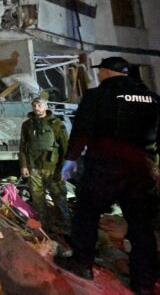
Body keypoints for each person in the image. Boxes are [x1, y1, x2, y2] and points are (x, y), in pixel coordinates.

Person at [55, 56, 159, 295]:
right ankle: (144, 282)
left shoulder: (97, 95)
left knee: (86, 212)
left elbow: (82, 130)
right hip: (139, 168)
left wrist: (70, 158)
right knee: (141, 226)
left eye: (100, 71)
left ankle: (82, 262)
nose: (98, 75)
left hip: (106, 166)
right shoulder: (152, 98)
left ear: (107, 72)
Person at [18, 96, 71, 235]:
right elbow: (23, 147)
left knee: (59, 199)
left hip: (53, 169)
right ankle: (45, 229)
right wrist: (24, 166)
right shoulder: (27, 125)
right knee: (38, 201)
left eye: (39, 105)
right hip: (34, 169)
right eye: (34, 105)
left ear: (46, 107)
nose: (36, 108)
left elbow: (66, 148)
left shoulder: (56, 124)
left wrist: (63, 169)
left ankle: (66, 228)